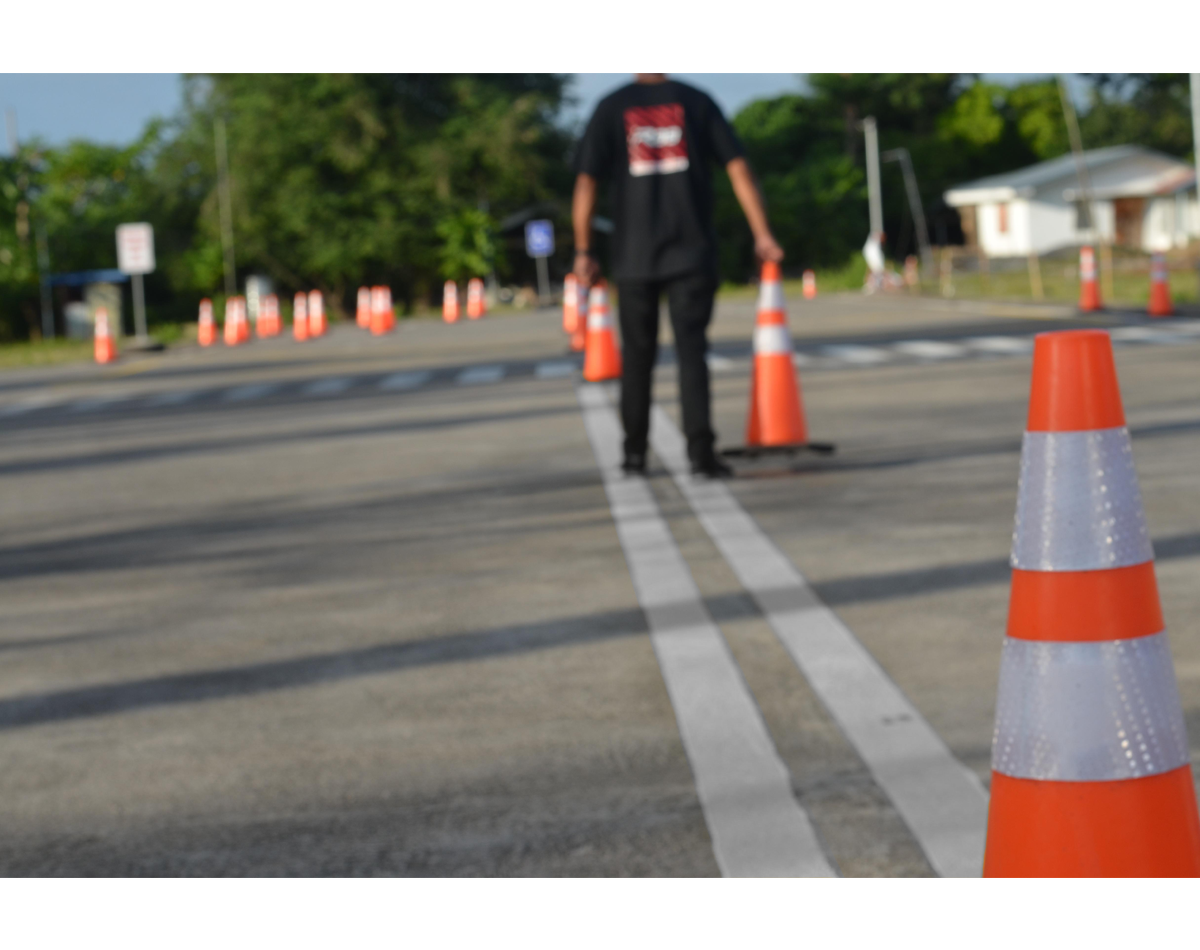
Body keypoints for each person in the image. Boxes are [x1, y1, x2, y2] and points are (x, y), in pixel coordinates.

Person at [572, 74, 783, 478]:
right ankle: (700, 454)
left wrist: (584, 250)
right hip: (691, 251)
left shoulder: (611, 106)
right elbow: (738, 167)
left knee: (637, 357)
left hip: (634, 256)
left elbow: (586, 181)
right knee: (692, 354)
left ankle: (634, 454)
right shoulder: (696, 101)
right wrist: (762, 234)